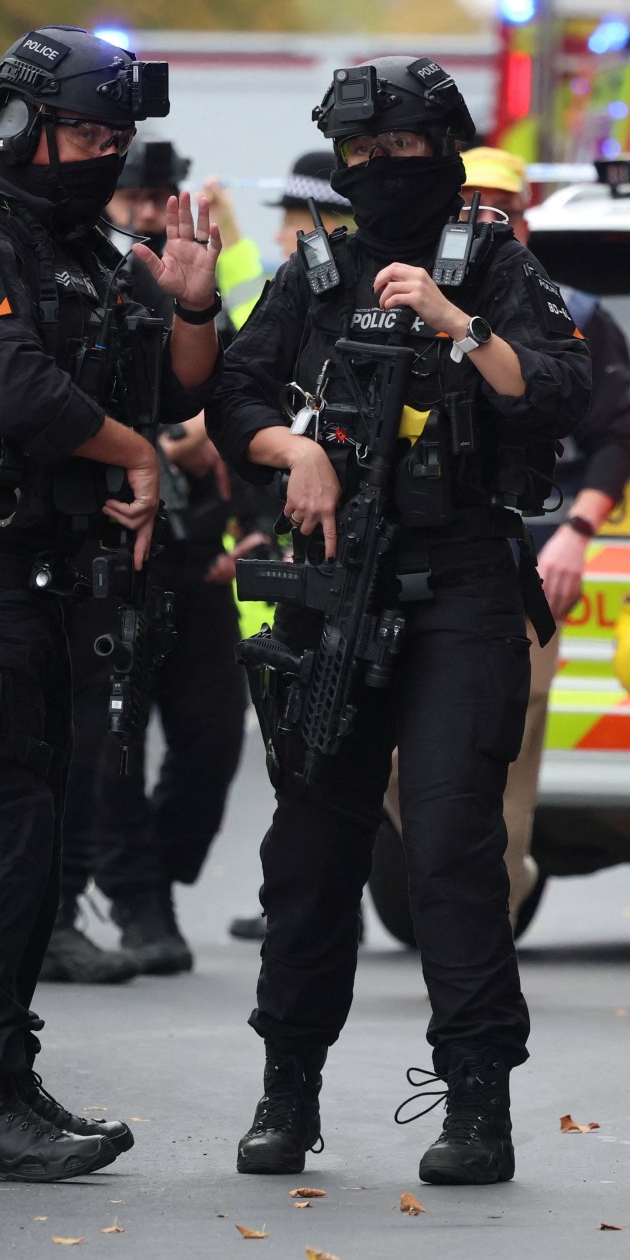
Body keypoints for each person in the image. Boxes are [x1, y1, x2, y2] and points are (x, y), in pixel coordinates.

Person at [206, 55, 591, 1184]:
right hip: (333, 584)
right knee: (311, 854)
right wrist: (296, 452)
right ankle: (288, 1094)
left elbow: (561, 391)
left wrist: (455, 321)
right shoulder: (315, 275)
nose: (377, 172)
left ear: (448, 152)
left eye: (399, 153)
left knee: (454, 850)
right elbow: (233, 393)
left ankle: (477, 1105)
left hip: (462, 585)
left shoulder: (498, 268)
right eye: (358, 155)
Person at [0, 27, 219, 1181]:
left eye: (118, 140)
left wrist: (196, 306)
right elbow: (15, 388)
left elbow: (172, 380)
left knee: (31, 841)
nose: (103, 158)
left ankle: (6, 1080)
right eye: (86, 134)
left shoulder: (87, 252)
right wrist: (139, 454)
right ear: (19, 125)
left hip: (41, 581)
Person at [381, 145, 630, 930]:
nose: (476, 218)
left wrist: (576, 536)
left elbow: (614, 437)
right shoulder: (394, 296)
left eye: (497, 205)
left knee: (506, 757)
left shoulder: (578, 315)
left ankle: (482, 920)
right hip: (408, 558)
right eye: (464, 200)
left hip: (524, 563)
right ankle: (483, 879)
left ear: (525, 218)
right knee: (391, 752)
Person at [42, 134, 264, 983]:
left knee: (210, 740)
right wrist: (167, 445)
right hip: (111, 548)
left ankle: (151, 879)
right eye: (133, 194)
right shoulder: (79, 277)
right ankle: (132, 906)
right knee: (108, 743)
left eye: (158, 194)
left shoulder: (191, 286)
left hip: (196, 557)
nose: (144, 208)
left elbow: (238, 400)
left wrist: (250, 525)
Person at [227, 152, 353, 944]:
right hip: (290, 554)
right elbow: (243, 413)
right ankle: (304, 900)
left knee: (330, 748)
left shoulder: (337, 297)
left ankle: (323, 900)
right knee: (296, 742)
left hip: (341, 561)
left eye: (293, 216)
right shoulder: (289, 293)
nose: (281, 232)